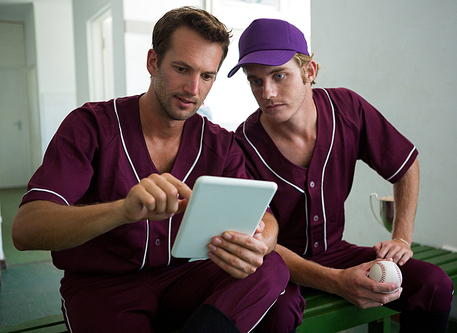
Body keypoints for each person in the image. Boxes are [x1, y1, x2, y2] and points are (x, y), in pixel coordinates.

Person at [12, 8, 293, 333]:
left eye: (206, 76)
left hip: (184, 277)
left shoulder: (219, 144)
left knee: (271, 267)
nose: (193, 88)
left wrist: (263, 241)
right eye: (181, 69)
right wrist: (122, 210)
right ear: (153, 62)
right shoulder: (90, 127)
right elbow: (26, 229)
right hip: (104, 288)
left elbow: (264, 216)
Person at [228, 18, 454, 332]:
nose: (267, 92)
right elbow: (262, 241)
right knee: (277, 313)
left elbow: (406, 165)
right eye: (255, 81)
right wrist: (337, 283)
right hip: (277, 265)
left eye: (279, 75)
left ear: (309, 72)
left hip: (337, 253)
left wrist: (401, 236)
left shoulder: (346, 108)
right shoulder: (241, 145)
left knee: (435, 285)